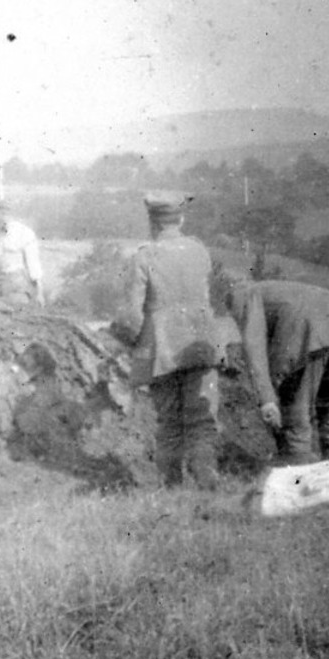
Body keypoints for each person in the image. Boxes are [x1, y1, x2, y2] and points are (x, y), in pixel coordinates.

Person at [111, 190, 223, 489]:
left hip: (162, 350)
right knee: (201, 418)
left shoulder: (144, 256)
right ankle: (206, 477)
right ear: (181, 219)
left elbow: (130, 317)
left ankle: (172, 485)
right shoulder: (200, 251)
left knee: (170, 420)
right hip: (202, 344)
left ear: (152, 222)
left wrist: (126, 340)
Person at [226, 279, 329, 464]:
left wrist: (266, 399)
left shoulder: (245, 295)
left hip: (307, 328)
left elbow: (254, 344)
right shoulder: (276, 288)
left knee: (295, 410)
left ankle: (298, 475)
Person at [0, 200, 45, 306]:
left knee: (10, 305)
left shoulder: (24, 233)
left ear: (5, 214)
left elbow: (33, 265)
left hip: (17, 287)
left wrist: (40, 293)